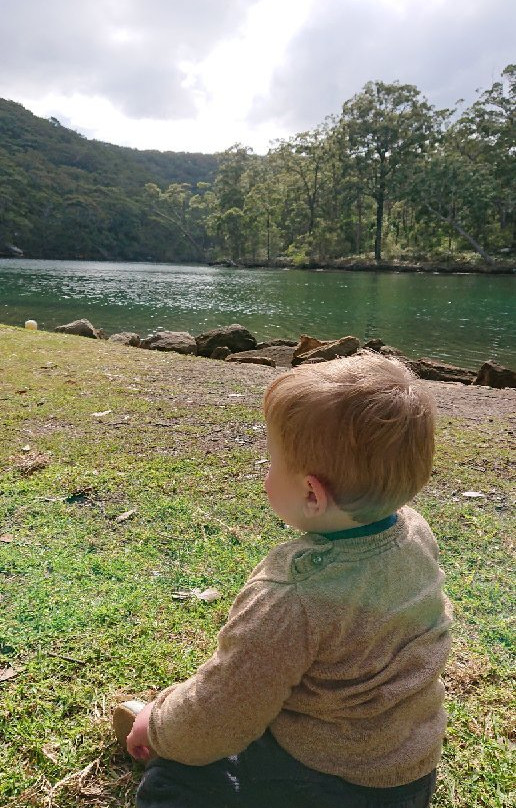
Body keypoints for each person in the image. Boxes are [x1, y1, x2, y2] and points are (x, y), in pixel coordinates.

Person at [113, 352, 452, 808]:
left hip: (319, 785)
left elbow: (223, 713)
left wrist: (158, 727)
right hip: (408, 777)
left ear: (312, 493)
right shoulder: (413, 532)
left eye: (271, 460)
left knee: (175, 775)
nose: (265, 472)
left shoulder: (294, 595)